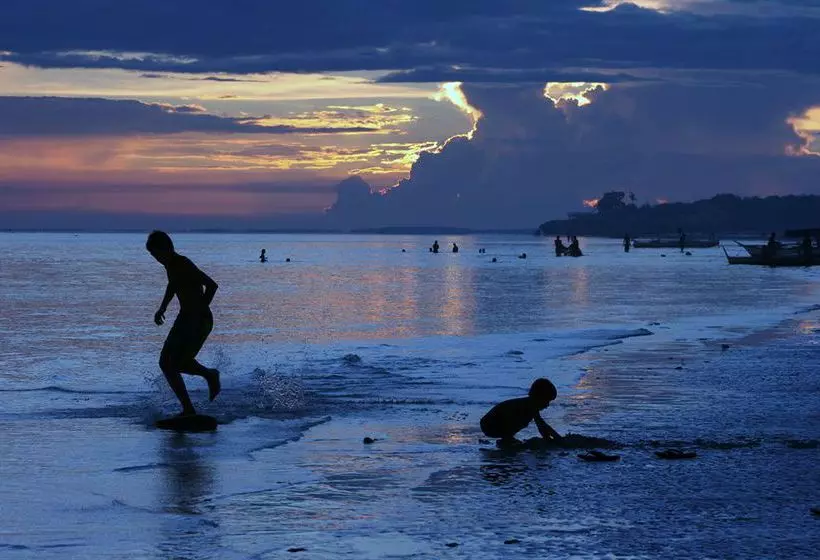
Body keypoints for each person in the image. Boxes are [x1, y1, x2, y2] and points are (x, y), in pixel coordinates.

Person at [146, 231, 221, 417]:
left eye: (157, 254)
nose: (156, 259)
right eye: (153, 256)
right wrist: (162, 307)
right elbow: (173, 285)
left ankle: (191, 406)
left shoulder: (183, 263)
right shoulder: (170, 265)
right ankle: (207, 379)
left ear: (167, 248)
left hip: (199, 320)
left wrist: (200, 309)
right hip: (184, 318)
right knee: (165, 362)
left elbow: (211, 285)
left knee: (177, 363)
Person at [480, 378, 562, 445]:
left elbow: (542, 426)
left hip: (489, 423)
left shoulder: (529, 405)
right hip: (490, 424)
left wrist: (555, 438)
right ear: (539, 397)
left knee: (521, 419)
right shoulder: (527, 406)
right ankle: (507, 440)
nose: (547, 405)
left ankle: (507, 439)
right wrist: (556, 440)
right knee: (520, 419)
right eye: (547, 401)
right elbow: (541, 426)